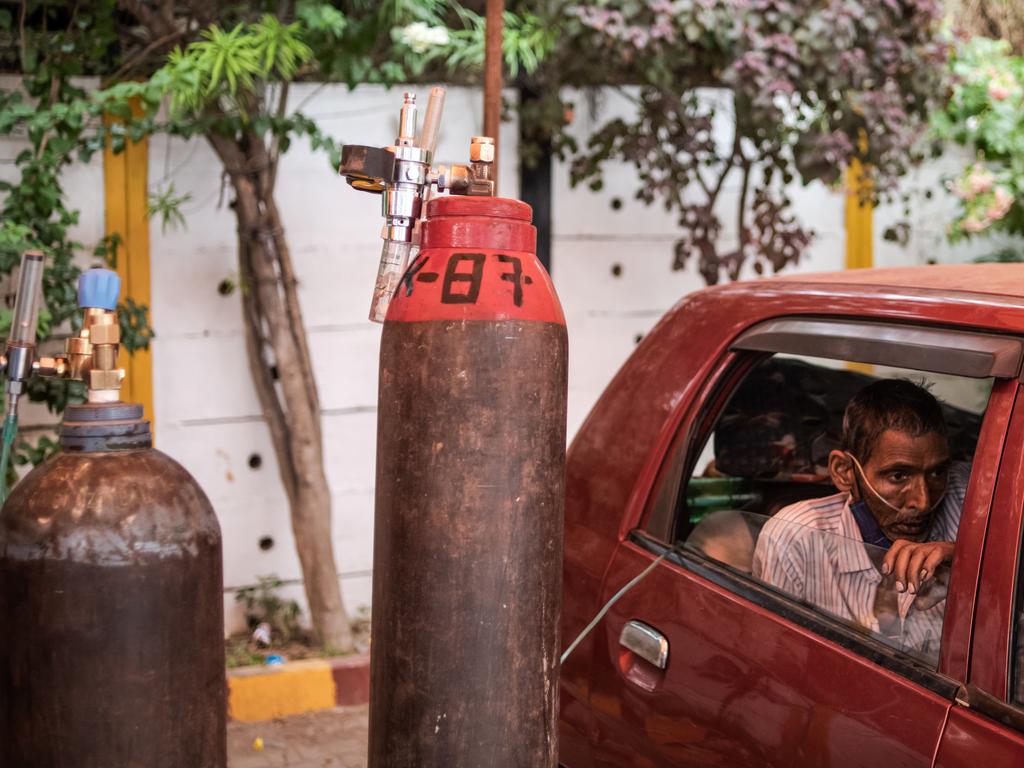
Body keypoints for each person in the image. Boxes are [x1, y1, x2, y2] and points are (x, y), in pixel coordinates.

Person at [751, 379, 969, 661]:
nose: (923, 501)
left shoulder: (974, 500)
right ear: (844, 471)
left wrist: (969, 562)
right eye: (898, 476)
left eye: (937, 473)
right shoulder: (795, 539)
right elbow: (778, 662)